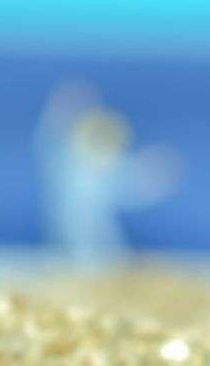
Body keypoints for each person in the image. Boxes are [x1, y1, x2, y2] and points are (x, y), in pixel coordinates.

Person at [36, 84, 178, 263]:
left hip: (93, 237)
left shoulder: (96, 162)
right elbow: (48, 142)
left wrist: (150, 176)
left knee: (99, 259)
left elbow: (127, 185)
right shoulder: (65, 158)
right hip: (72, 234)